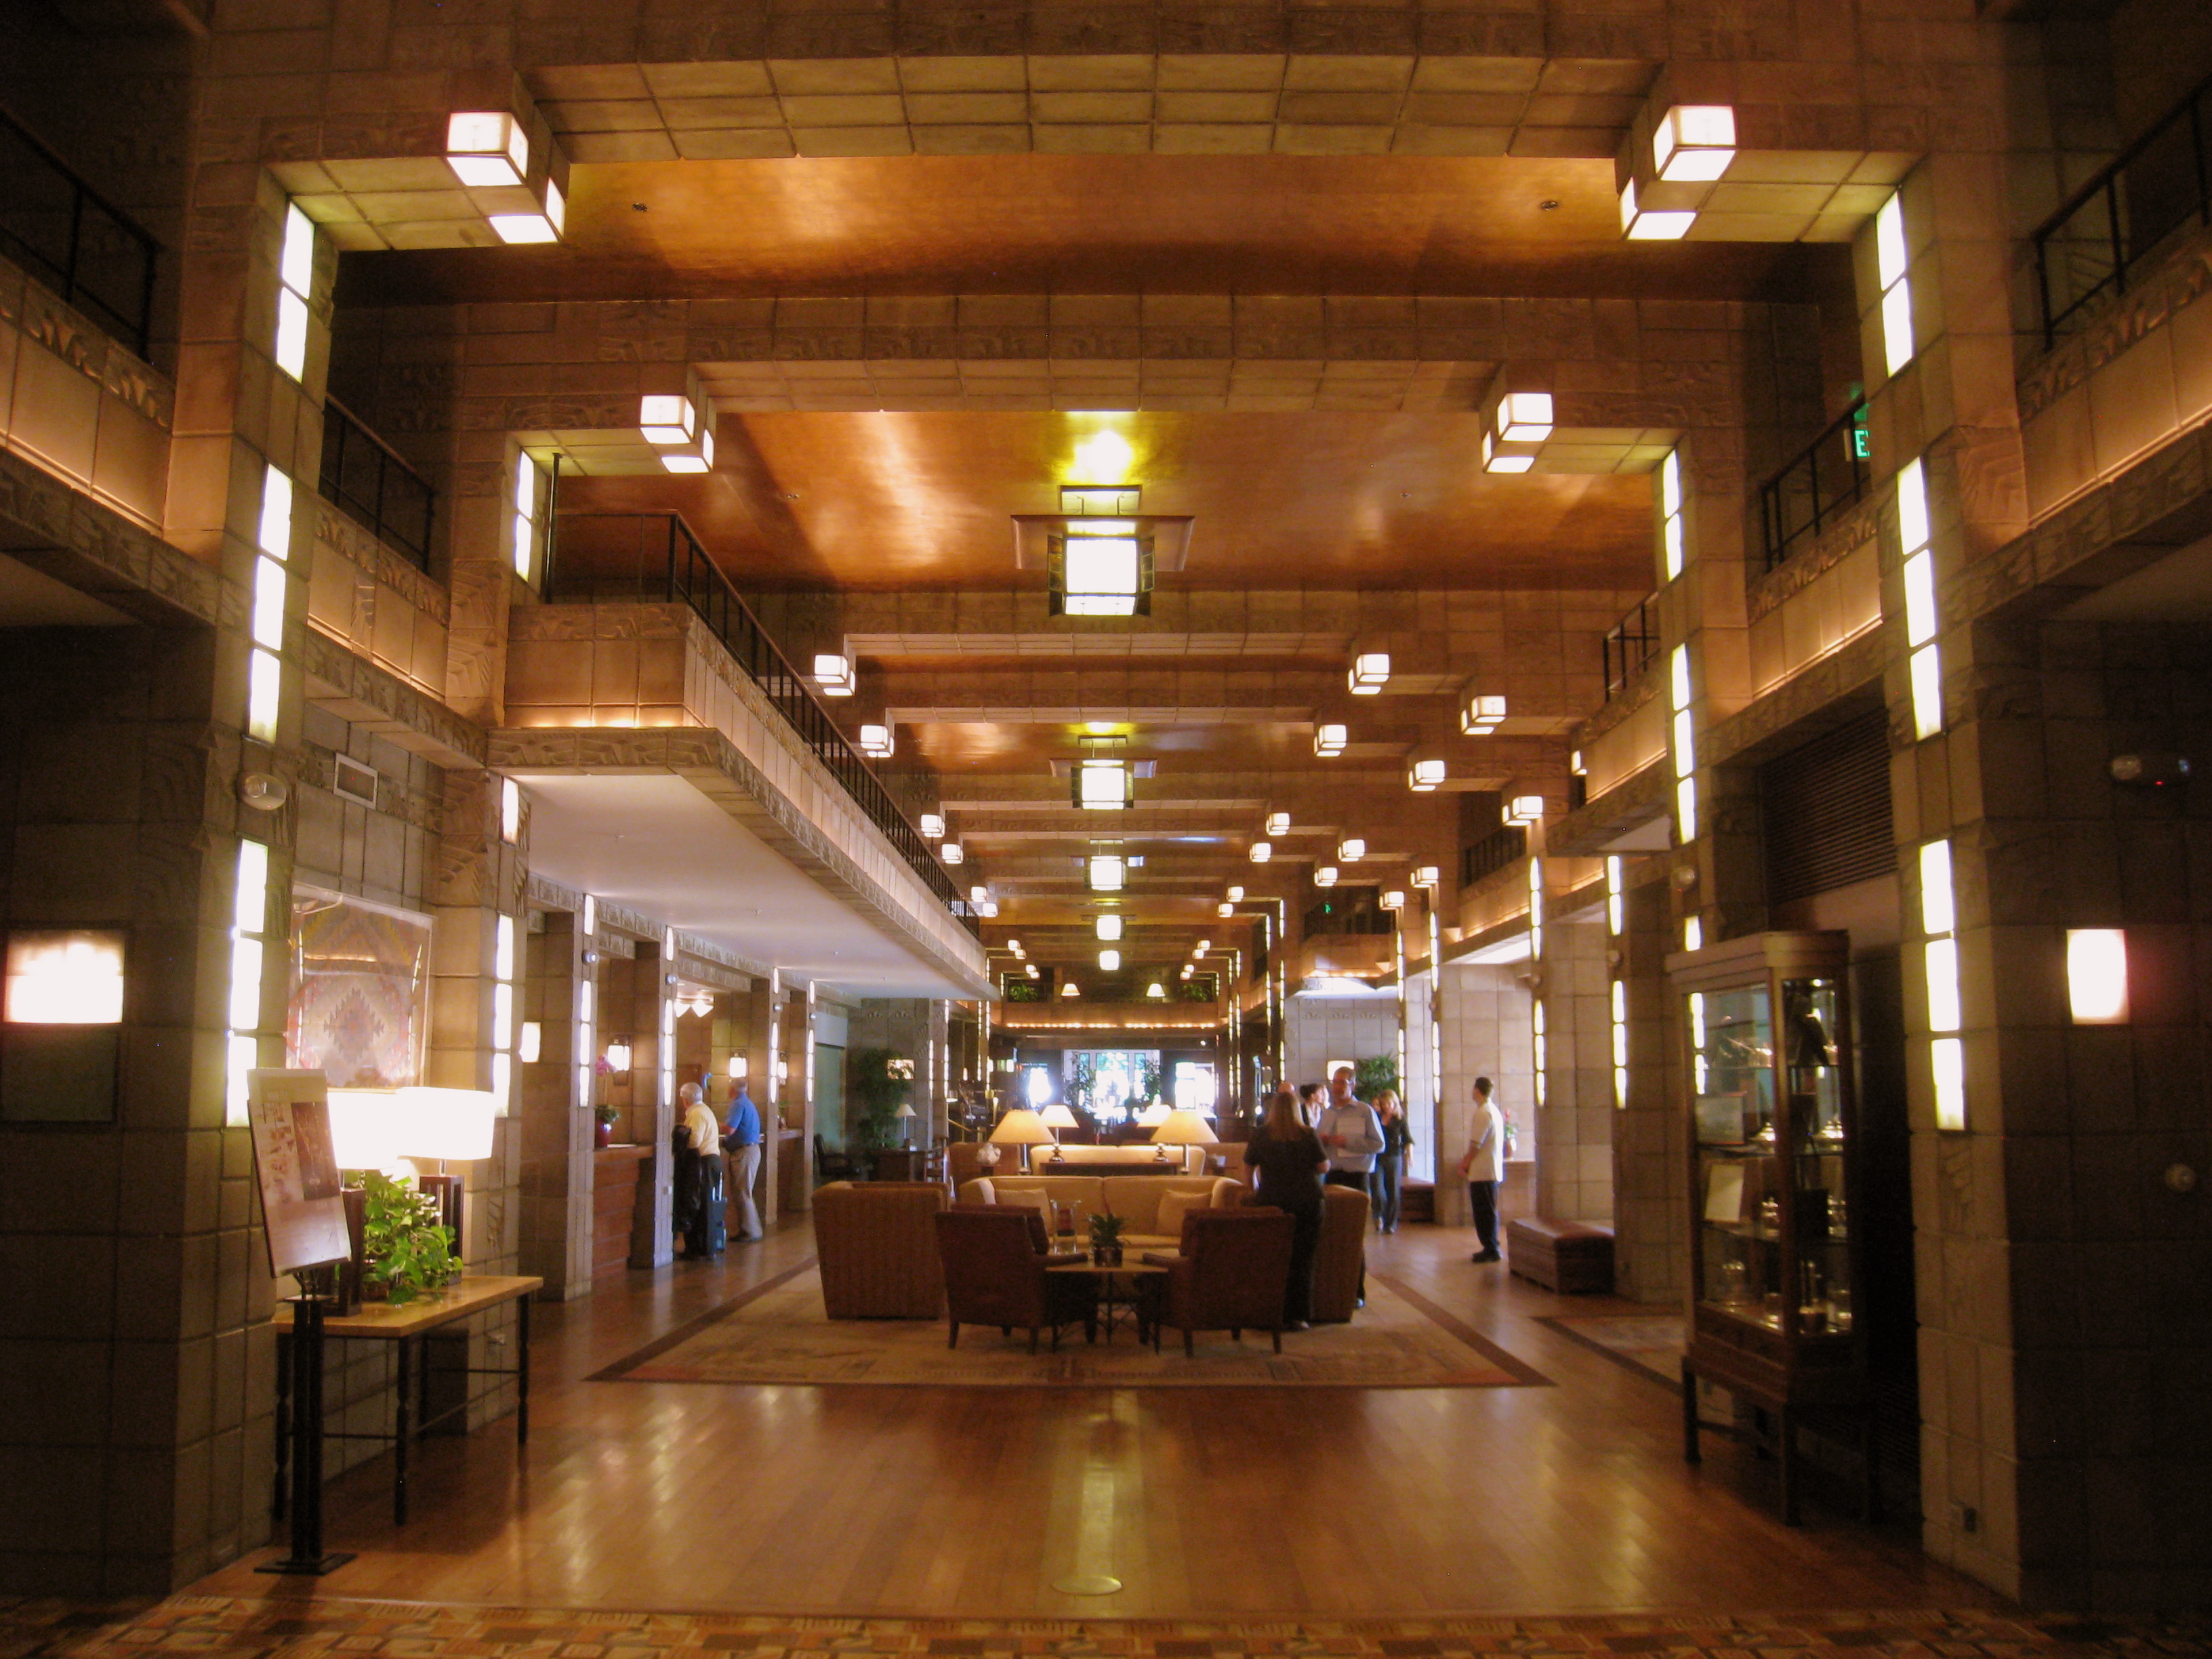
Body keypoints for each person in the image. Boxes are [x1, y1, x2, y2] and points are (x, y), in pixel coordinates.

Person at [1243, 1086, 1328, 1330]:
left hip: (1272, 1201)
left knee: (1271, 1259)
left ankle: (1271, 1312)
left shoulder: (1261, 1135)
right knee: (1303, 1260)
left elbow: (1247, 1168)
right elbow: (1322, 1167)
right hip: (1307, 1201)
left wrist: (1252, 1191)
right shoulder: (1307, 1134)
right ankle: (1299, 1316)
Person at [1458, 1076, 1507, 1263]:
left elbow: (1476, 1144)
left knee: (1484, 1211)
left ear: (1477, 1090)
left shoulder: (1483, 1113)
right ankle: (1491, 1245)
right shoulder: (1492, 1111)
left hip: (1483, 1171)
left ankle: (1491, 1247)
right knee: (1487, 1209)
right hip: (1489, 1169)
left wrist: (1465, 1163)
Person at [673, 1082, 724, 1259]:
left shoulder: (696, 1114)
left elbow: (694, 1141)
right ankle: (704, 1248)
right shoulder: (705, 1110)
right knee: (705, 1207)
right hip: (712, 1161)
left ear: (685, 1100)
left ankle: (698, 1249)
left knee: (699, 1207)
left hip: (704, 1163)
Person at [722, 1076, 764, 1242]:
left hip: (744, 1153)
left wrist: (713, 1123)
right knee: (743, 1192)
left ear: (732, 1089)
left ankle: (751, 1231)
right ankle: (746, 1229)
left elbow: (730, 1129)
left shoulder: (738, 1104)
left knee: (742, 1193)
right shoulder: (748, 1103)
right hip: (751, 1150)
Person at [1369, 1089, 1412, 1234]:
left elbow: (1407, 1139)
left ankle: (1391, 1223)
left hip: (1394, 1156)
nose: (1387, 1106)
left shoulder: (1400, 1119)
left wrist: (1410, 1155)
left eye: (1389, 1103)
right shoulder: (1376, 1116)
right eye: (1384, 1103)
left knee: (1393, 1190)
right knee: (1378, 1190)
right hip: (1377, 1157)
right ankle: (1378, 1216)